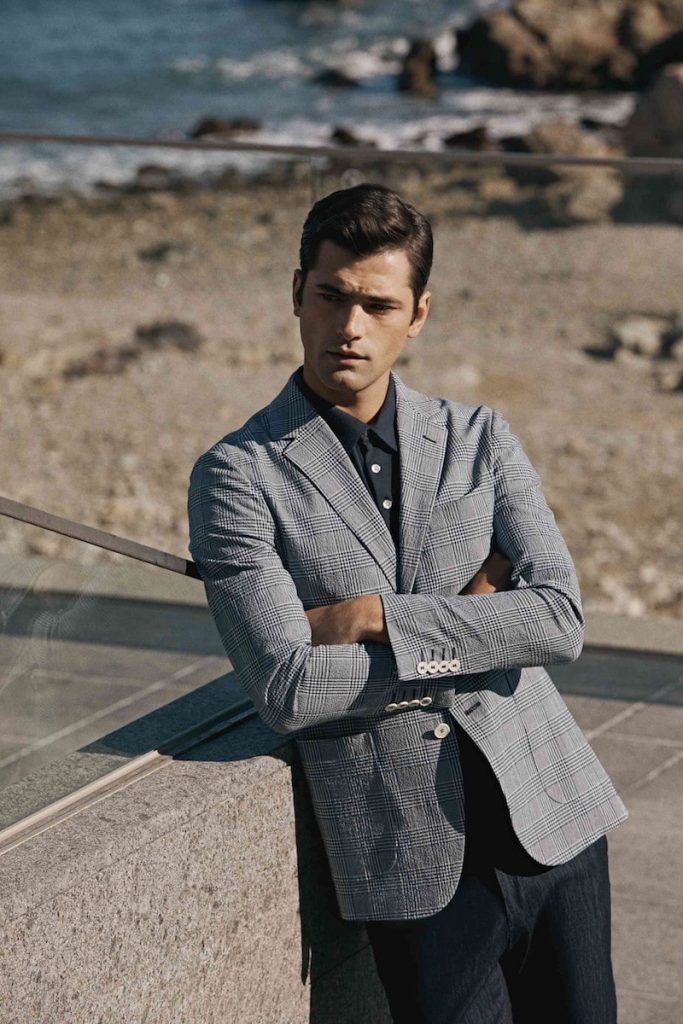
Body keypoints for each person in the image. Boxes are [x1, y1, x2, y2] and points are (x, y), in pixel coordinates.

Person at [187, 183, 629, 1023]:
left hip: (552, 815)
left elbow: (560, 620)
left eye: (377, 305)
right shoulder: (238, 476)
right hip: (410, 862)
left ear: (417, 314)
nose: (349, 326)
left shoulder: (478, 436)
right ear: (297, 294)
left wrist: (372, 617)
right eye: (331, 296)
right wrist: (482, 621)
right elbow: (285, 686)